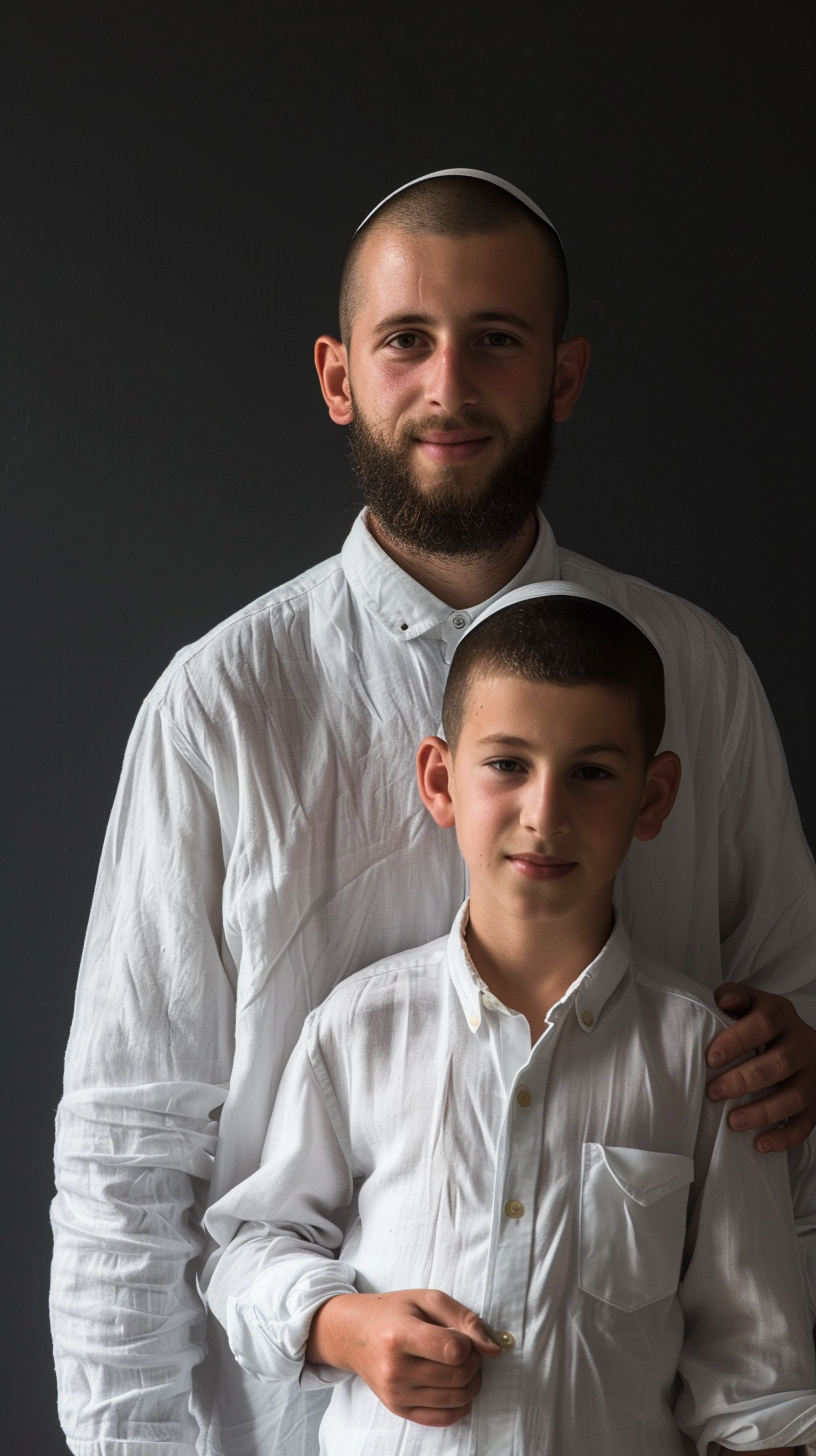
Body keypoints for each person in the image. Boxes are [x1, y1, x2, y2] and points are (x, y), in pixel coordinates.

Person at [51, 170, 816, 1456]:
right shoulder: (219, 704)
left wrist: (800, 1047)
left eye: (496, 341)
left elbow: (787, 1023)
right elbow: (131, 1157)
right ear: (339, 375)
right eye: (406, 340)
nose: (450, 386)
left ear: (563, 375)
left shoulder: (700, 673)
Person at [203, 585, 816, 1456]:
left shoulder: (702, 1058)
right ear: (441, 780)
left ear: (653, 797)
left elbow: (755, 1373)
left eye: (593, 773)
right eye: (508, 765)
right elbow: (249, 1249)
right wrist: (345, 1326)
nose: (545, 814)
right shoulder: (359, 1029)